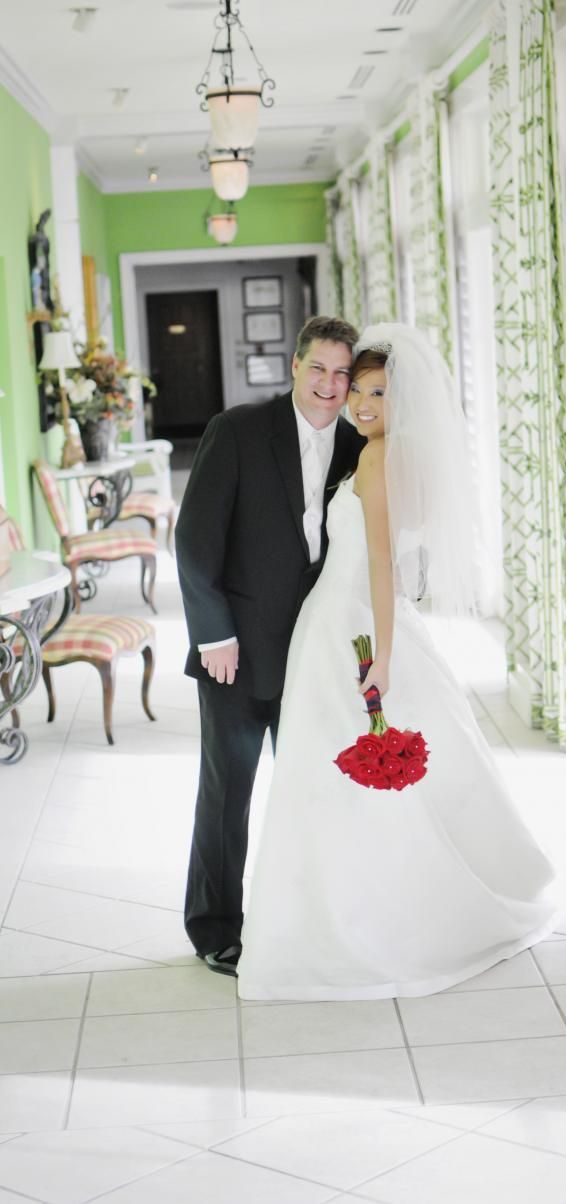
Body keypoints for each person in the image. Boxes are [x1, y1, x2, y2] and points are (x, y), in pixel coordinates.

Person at [237, 323, 555, 1001]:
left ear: (402, 399)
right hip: (350, 619)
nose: (361, 402)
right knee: (343, 779)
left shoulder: (378, 459)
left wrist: (382, 657)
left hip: (349, 626)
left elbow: (383, 566)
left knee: (335, 779)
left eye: (377, 392)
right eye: (357, 389)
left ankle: (364, 923)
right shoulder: (391, 455)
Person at [175, 315, 365, 976]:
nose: (329, 384)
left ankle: (309, 918)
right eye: (318, 368)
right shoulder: (237, 431)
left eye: (342, 373)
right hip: (237, 652)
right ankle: (215, 927)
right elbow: (194, 541)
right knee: (228, 794)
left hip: (317, 655)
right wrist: (213, 635)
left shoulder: (359, 447)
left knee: (315, 791)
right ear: (295, 366)